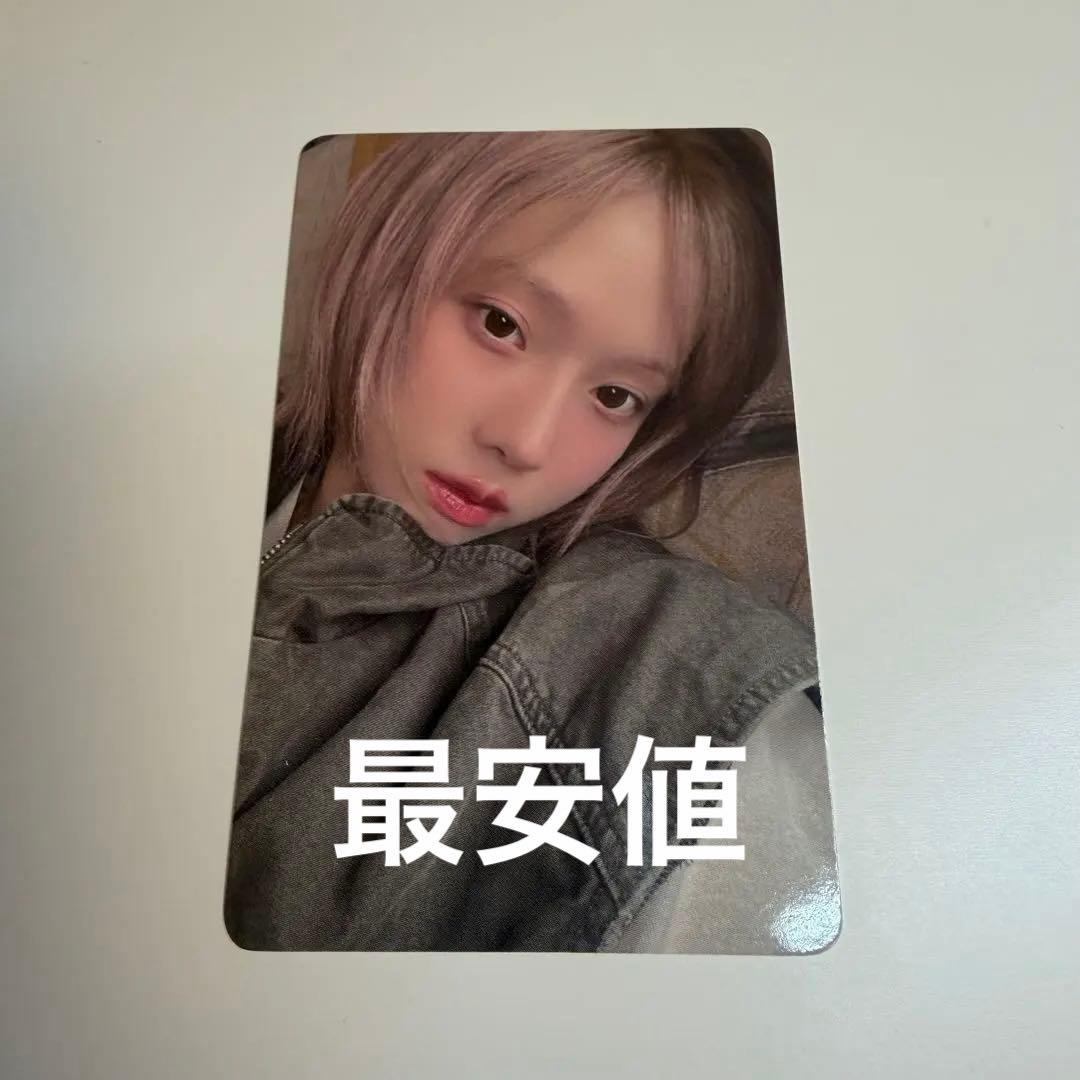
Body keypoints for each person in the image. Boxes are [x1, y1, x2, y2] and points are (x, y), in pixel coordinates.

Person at [224, 129, 824, 952]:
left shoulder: (642, 651)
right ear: (389, 254)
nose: (526, 442)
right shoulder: (165, 471)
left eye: (615, 395)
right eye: (501, 325)